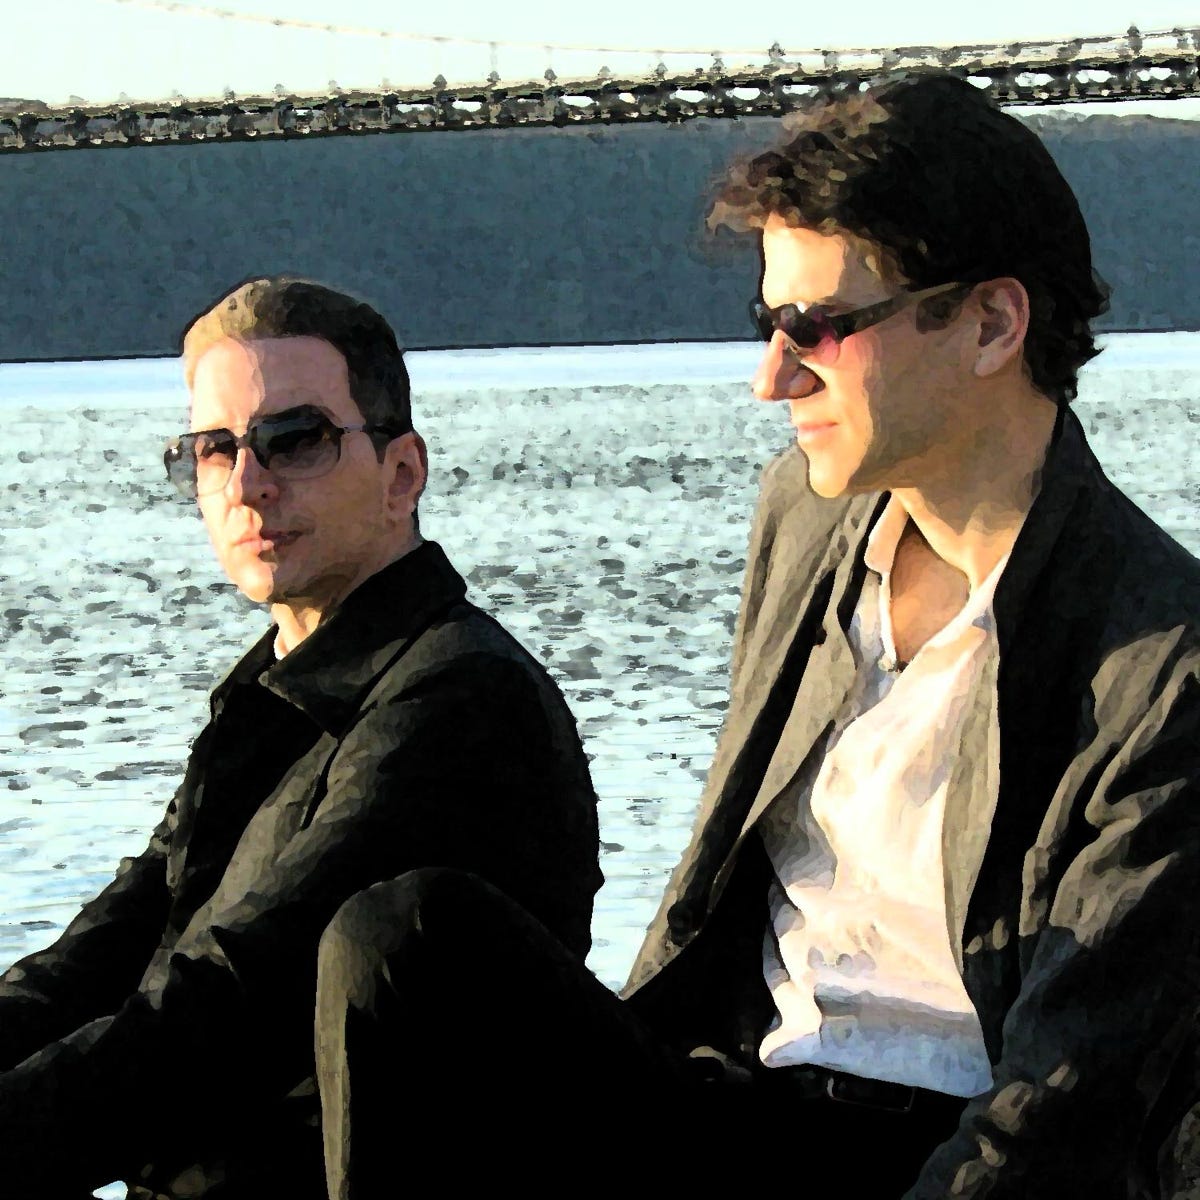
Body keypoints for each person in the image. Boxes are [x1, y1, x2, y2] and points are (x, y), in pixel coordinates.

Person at [310, 71, 1200, 1199]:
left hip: (942, 1146)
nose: (770, 377)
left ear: (990, 323)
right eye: (766, 324)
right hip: (741, 1101)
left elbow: (1067, 1104)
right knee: (402, 940)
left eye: (815, 329)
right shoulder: (809, 514)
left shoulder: (1160, 665)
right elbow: (710, 882)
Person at [0, 277, 601, 1198]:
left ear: (402, 474)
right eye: (215, 449)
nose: (249, 484)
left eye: (297, 439)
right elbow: (108, 953)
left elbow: (239, 1003)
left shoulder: (462, 702)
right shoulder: (272, 696)